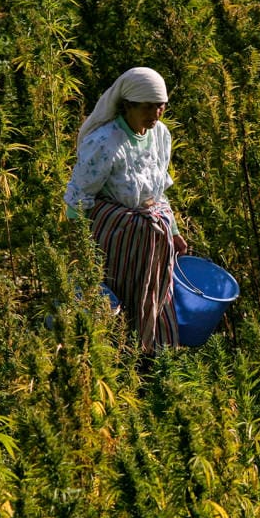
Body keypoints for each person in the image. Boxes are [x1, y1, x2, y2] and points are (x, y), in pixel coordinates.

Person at [64, 67, 188, 353]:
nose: (155, 114)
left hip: (149, 240)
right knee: (116, 298)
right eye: (147, 107)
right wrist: (76, 249)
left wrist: (175, 231)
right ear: (128, 105)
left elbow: (158, 191)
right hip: (114, 239)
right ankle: (116, 354)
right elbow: (78, 197)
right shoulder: (105, 142)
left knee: (150, 295)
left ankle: (146, 354)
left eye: (160, 106)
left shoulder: (161, 136)